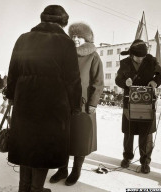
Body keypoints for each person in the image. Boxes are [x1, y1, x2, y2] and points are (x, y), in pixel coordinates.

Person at [5, 5, 82, 192]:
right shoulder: (65, 43)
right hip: (53, 105)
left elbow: (13, 72)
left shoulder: (23, 39)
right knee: (43, 146)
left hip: (25, 102)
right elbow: (73, 79)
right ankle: (36, 188)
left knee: (26, 144)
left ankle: (24, 188)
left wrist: (11, 97)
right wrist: (75, 106)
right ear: (63, 21)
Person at [49, 22, 104, 186]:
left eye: (79, 36)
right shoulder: (64, 54)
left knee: (80, 139)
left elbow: (98, 82)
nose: (75, 39)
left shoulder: (93, 56)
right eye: (73, 36)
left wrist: (93, 103)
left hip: (83, 104)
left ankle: (76, 170)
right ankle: (62, 169)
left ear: (86, 38)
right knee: (62, 138)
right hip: (62, 103)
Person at [115, 39, 161, 173]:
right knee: (128, 132)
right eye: (138, 57)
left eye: (143, 56)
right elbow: (117, 79)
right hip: (129, 102)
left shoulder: (151, 60)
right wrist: (125, 82)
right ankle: (127, 157)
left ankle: (145, 161)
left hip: (146, 102)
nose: (141, 59)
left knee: (146, 133)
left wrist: (155, 82)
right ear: (132, 55)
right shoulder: (124, 63)